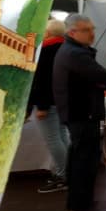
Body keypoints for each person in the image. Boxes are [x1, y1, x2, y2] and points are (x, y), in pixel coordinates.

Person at [53, 13, 106, 211]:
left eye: (92, 28)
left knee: (81, 158)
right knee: (85, 160)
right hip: (82, 113)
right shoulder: (76, 53)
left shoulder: (74, 50)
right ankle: (78, 206)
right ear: (72, 32)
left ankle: (80, 202)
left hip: (78, 112)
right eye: (87, 30)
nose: (92, 33)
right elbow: (101, 75)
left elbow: (91, 78)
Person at [28, 19, 70, 194]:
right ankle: (68, 172)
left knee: (53, 139)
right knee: (62, 137)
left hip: (48, 102)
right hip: (63, 101)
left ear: (48, 33)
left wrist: (42, 106)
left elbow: (42, 81)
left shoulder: (45, 51)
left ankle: (63, 176)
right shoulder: (67, 49)